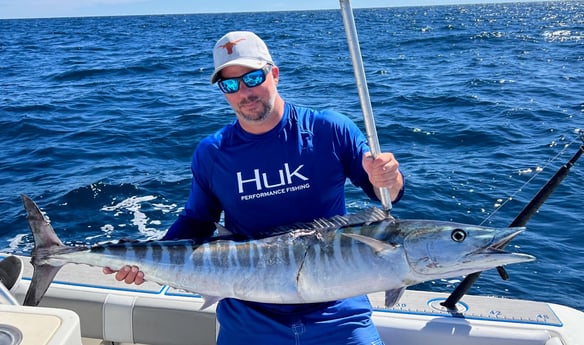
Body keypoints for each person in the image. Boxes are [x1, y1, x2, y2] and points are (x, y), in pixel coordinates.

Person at [104, 31, 404, 345]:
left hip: (339, 314)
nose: (243, 91)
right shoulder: (212, 152)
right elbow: (196, 222)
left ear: (273, 73)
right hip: (248, 320)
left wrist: (387, 178)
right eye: (230, 85)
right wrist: (144, 260)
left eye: (252, 77)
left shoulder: (329, 129)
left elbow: (386, 195)